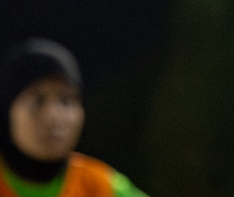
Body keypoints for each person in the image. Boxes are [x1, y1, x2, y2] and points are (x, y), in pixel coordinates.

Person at [1, 38, 148, 197]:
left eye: (66, 100)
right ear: (7, 110)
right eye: (37, 100)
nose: (53, 116)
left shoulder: (100, 187)